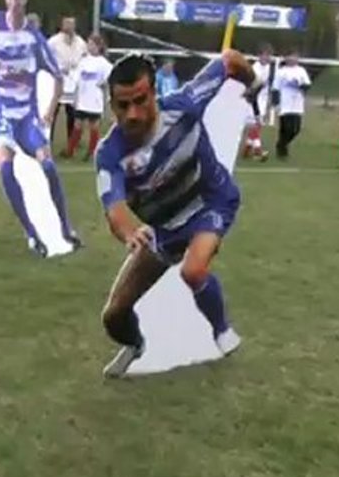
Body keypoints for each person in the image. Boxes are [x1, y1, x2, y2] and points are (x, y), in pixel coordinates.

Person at [94, 50, 255, 378]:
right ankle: (136, 344)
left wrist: (253, 82)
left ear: (155, 92)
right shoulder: (109, 153)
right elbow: (114, 208)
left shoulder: (184, 105)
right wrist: (129, 232)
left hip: (211, 204)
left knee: (193, 271)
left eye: (140, 100)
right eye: (122, 106)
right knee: (113, 316)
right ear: (112, 105)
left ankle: (222, 330)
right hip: (164, 230)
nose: (133, 114)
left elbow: (227, 61)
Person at [0, 0, 82, 257]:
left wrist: (49, 110)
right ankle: (32, 234)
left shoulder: (34, 39)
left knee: (48, 166)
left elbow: (58, 77)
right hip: (1, 117)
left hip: (26, 117)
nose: (14, 3)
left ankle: (66, 227)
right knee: (6, 168)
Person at [67, 33, 113, 161]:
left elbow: (111, 76)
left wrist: (104, 83)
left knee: (94, 127)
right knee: (77, 125)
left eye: (92, 44)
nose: (89, 46)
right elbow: (76, 77)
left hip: (95, 100)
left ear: (98, 46)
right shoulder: (83, 61)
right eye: (88, 44)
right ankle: (70, 150)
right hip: (82, 99)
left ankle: (92, 152)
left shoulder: (103, 63)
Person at [48, 16, 88, 156]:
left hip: (74, 80)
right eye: (67, 24)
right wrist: (56, 68)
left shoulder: (80, 42)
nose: (69, 27)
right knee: (53, 112)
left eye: (72, 24)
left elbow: (85, 58)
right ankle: (47, 141)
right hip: (58, 80)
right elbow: (46, 56)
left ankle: (72, 145)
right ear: (62, 25)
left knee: (73, 114)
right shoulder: (54, 41)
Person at [272, 48, 311, 160]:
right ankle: (282, 150)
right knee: (286, 128)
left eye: (295, 56)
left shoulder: (301, 71)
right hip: (285, 103)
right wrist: (276, 103)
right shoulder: (281, 71)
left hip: (297, 103)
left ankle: (282, 144)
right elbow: (275, 88)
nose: (292, 58)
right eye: (290, 56)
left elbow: (307, 85)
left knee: (296, 129)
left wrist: (299, 85)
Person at [241, 44, 274, 161]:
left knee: (257, 125)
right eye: (264, 55)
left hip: (263, 100)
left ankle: (247, 148)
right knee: (256, 124)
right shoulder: (255, 68)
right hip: (254, 101)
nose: (266, 58)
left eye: (268, 55)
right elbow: (254, 85)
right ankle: (258, 151)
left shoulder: (270, 68)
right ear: (259, 56)